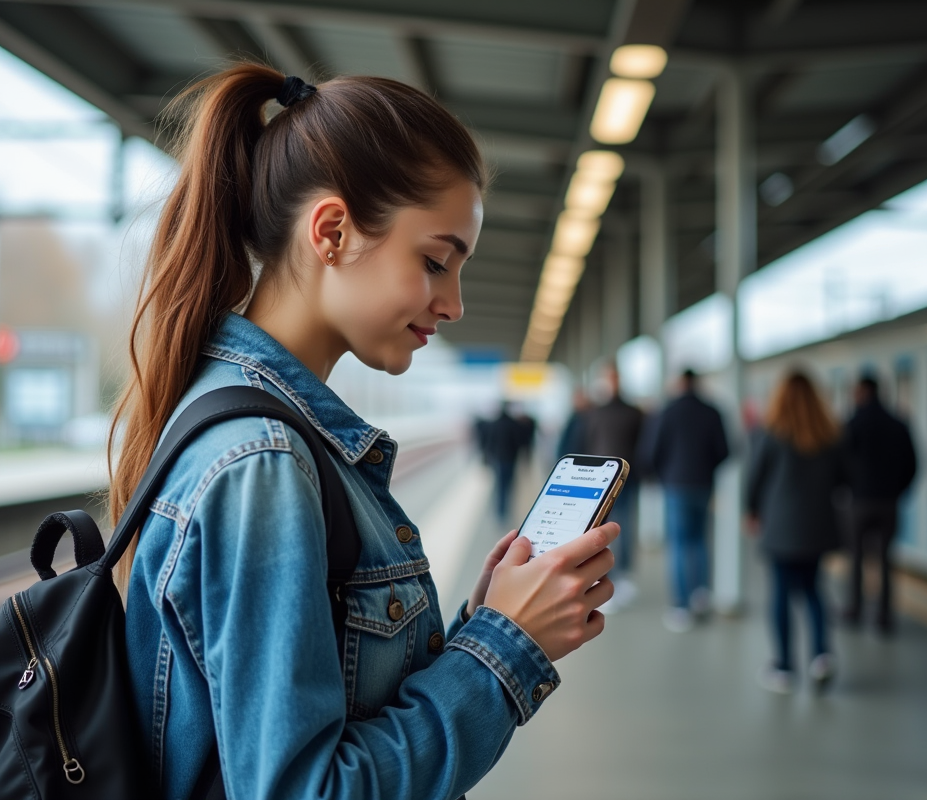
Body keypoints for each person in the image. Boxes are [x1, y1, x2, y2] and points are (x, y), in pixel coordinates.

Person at [110, 64, 620, 799]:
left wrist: (487, 615)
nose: (454, 304)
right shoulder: (263, 463)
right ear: (332, 231)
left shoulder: (246, 422)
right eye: (436, 262)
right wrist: (505, 648)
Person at [745, 371, 847, 693]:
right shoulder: (829, 433)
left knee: (780, 593)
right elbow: (845, 479)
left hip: (780, 527)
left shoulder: (770, 432)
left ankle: (784, 667)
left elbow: (754, 478)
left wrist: (751, 511)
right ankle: (821, 656)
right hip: (817, 525)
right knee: (814, 588)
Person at [645, 368, 729, 632]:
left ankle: (681, 606)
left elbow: (651, 450)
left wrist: (663, 475)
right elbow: (724, 450)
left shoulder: (666, 411)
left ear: (679, 384)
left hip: (675, 485)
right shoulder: (712, 411)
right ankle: (700, 595)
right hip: (703, 484)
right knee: (700, 540)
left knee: (679, 544)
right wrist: (707, 469)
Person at [843, 374, 917, 633]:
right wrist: (898, 490)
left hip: (860, 501)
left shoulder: (852, 424)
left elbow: (840, 461)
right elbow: (914, 463)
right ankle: (885, 616)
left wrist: (849, 488)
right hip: (889, 502)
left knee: (856, 558)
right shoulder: (898, 424)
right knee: (886, 560)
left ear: (862, 392)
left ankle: (855, 609)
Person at [581, 361, 644, 608]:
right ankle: (608, 576)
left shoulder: (633, 412)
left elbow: (643, 444)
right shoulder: (595, 412)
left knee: (624, 527)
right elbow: (587, 443)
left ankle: (622, 575)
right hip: (600, 481)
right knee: (602, 529)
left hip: (627, 479)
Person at [483, 401, 531, 520]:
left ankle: (500, 512)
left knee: (499, 485)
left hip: (498, 459)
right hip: (511, 459)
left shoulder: (494, 423)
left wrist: (487, 458)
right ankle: (505, 510)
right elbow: (520, 442)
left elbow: (489, 442)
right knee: (509, 485)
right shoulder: (514, 423)